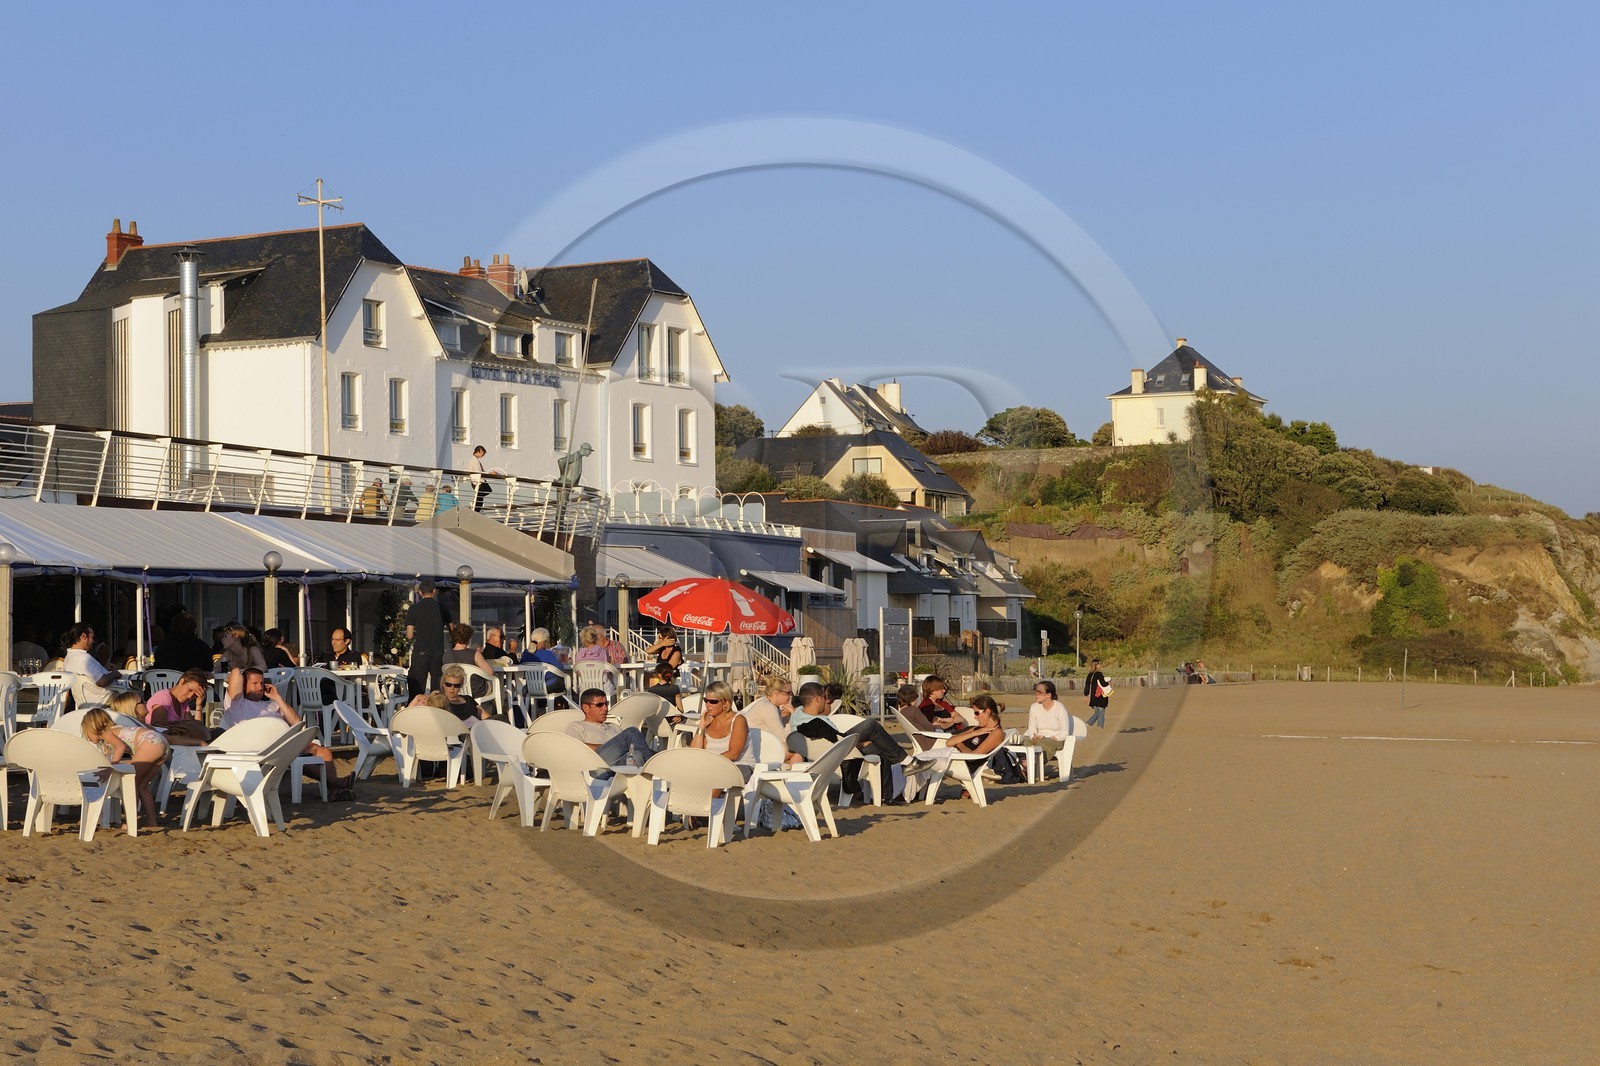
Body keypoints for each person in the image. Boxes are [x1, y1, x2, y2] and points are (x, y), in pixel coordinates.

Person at [223, 667, 352, 796]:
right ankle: (337, 784)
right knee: (292, 756)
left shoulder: (270, 705)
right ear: (244, 685)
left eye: (262, 683)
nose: (260, 687)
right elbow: (235, 672)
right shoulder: (236, 705)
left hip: (285, 744)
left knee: (323, 752)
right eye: (255, 683)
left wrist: (277, 698)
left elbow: (296, 722)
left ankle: (334, 789)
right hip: (262, 749)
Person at [788, 681, 909, 800]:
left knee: (879, 748)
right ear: (817, 699)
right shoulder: (819, 724)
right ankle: (905, 760)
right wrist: (861, 744)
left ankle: (885, 796)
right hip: (840, 755)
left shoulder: (797, 716)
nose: (826, 700)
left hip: (824, 755)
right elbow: (837, 743)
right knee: (871, 725)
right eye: (824, 697)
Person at [82, 700, 169, 830]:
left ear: (93, 727)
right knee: (142, 785)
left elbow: (120, 746)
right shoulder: (117, 730)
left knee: (131, 782)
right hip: (159, 742)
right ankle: (152, 821)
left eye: (86, 732)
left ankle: (131, 821)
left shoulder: (107, 733)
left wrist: (112, 768)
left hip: (150, 742)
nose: (87, 737)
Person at [565, 688, 655, 769]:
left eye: (606, 704)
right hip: (597, 768)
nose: (605, 708)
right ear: (586, 708)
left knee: (637, 755)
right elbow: (574, 748)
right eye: (599, 705)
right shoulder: (577, 726)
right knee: (631, 732)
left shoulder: (613, 726)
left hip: (618, 768)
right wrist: (611, 747)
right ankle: (655, 770)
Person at [690, 682, 750, 774]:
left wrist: (710, 763)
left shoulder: (738, 720)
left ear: (726, 703)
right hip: (713, 766)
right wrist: (701, 725)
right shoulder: (708, 721)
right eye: (706, 700)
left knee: (717, 775)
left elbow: (733, 754)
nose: (707, 705)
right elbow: (695, 752)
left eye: (713, 702)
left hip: (740, 765)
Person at [405, 579, 450, 699]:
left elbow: (409, 635)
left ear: (420, 592)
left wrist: (417, 635)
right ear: (434, 591)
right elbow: (453, 631)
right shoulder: (442, 608)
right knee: (437, 690)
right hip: (438, 652)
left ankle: (416, 713)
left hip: (421, 651)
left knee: (417, 689)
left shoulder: (414, 609)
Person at [143, 669, 211, 745]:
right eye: (190, 690)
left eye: (195, 694)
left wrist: (199, 704)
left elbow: (196, 727)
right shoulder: (163, 698)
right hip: (161, 742)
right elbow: (158, 726)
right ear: (182, 681)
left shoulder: (183, 703)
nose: (190, 696)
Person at [62, 623, 124, 706]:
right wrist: (115, 673)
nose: (93, 641)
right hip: (103, 700)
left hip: (86, 702)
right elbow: (101, 682)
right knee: (134, 699)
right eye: (92, 637)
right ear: (84, 636)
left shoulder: (68, 658)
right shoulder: (84, 658)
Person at [1022, 680, 1071, 763]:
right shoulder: (1034, 707)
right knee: (1023, 741)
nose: (1036, 694)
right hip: (1039, 738)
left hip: (1054, 740)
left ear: (1049, 695)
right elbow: (1031, 727)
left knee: (1044, 745)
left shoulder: (1059, 708)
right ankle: (1026, 764)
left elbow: (1064, 732)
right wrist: (1033, 736)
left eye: (1040, 692)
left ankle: (1031, 763)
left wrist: (1054, 738)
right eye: (1036, 691)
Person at [443, 623, 494, 703]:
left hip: (455, 689)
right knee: (496, 681)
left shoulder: (446, 655)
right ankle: (501, 708)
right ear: (468, 638)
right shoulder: (474, 654)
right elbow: (490, 672)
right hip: (476, 691)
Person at [520, 627, 568, 696]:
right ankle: (571, 700)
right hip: (547, 685)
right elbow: (561, 669)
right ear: (544, 642)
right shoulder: (548, 654)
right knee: (563, 680)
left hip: (530, 687)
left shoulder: (525, 654)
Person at [1083, 658, 1110, 728]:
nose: (1100, 665)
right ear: (1097, 665)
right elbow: (1103, 684)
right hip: (1100, 696)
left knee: (1097, 712)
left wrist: (1086, 695)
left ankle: (1096, 726)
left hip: (1093, 697)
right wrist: (1108, 682)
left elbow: (1087, 685)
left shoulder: (1090, 674)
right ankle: (1091, 724)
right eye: (1099, 664)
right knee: (1100, 713)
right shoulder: (1099, 674)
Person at [470, 445, 491, 512]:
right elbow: (478, 472)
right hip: (478, 482)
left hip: (478, 481)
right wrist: (489, 473)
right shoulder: (474, 460)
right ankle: (476, 510)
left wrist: (489, 473)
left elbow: (480, 472)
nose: (483, 455)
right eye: (483, 453)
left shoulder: (475, 460)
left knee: (481, 497)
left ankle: (476, 509)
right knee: (482, 494)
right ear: (479, 451)